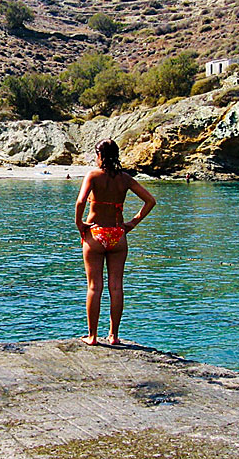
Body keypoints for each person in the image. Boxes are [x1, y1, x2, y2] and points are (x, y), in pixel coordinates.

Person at [75, 139, 156, 346]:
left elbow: (81, 202)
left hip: (95, 232)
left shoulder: (93, 175)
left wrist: (80, 224)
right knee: (116, 287)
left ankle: (92, 336)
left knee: (94, 287)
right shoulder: (125, 179)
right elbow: (150, 201)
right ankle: (113, 335)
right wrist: (132, 223)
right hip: (118, 234)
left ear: (99, 155)